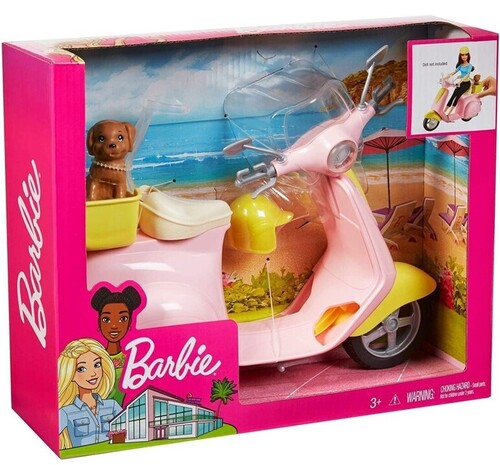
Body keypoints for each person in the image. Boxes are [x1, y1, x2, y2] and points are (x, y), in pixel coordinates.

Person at [58, 338, 122, 449]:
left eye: (97, 365)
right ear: (70, 375)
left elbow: (131, 425)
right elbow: (49, 433)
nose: (93, 373)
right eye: (81, 369)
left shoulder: (112, 405)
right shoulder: (66, 412)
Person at [91, 284, 143, 405]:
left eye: (122, 319)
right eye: (106, 319)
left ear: (130, 322)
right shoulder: (94, 359)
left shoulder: (132, 360)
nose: (114, 326)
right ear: (99, 322)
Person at [444, 46, 474, 115]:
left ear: (468, 56)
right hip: (460, 83)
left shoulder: (469, 66)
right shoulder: (460, 65)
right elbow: (454, 72)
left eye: (466, 55)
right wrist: (445, 78)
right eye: (462, 55)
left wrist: (460, 81)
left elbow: (467, 75)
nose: (464, 56)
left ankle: (450, 113)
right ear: (460, 56)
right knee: (452, 96)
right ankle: (444, 111)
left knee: (457, 97)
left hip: (466, 84)